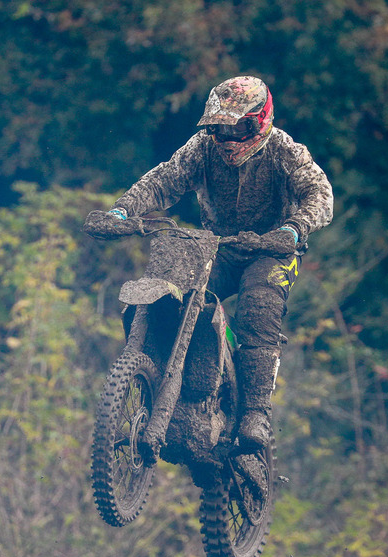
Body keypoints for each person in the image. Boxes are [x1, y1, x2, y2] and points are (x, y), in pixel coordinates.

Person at [83, 75, 333, 465]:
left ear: (261, 120)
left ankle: (254, 414)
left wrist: (294, 228)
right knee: (170, 286)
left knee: (258, 309)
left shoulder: (286, 151)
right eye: (222, 126)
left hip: (272, 249)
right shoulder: (202, 148)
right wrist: (122, 211)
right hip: (219, 245)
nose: (230, 136)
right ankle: (158, 374)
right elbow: (165, 179)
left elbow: (320, 194)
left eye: (240, 126)